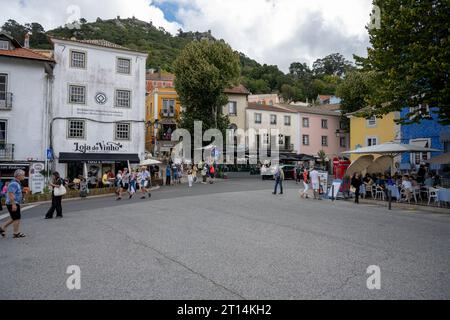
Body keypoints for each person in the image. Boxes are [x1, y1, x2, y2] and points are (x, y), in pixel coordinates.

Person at [0, 170, 26, 238]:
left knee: (13, 217)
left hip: (14, 202)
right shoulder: (14, 183)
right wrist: (13, 204)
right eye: (23, 175)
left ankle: (2, 227)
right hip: (13, 203)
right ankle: (16, 233)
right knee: (17, 218)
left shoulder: (17, 182)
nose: (24, 176)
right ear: (18, 176)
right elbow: (11, 194)